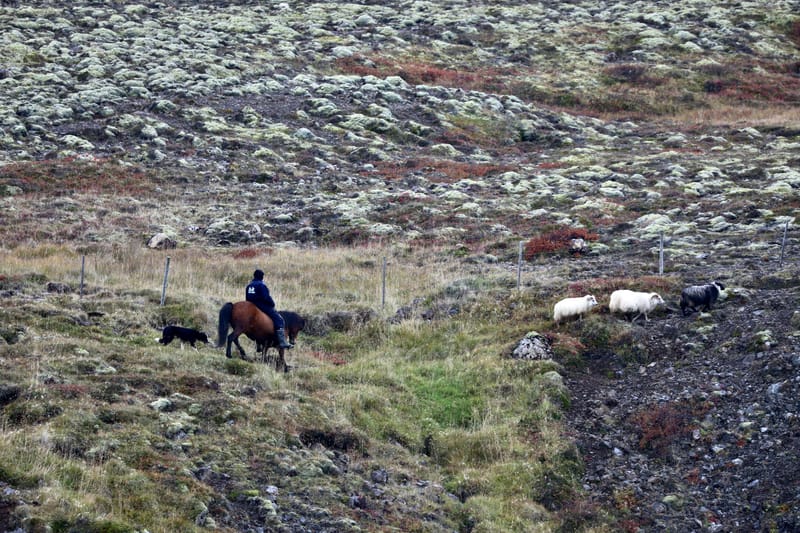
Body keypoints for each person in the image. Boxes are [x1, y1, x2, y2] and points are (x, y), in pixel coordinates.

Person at [245, 269, 292, 349]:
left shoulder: (249, 285)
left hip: (251, 305)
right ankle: (282, 342)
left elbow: (247, 298)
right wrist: (271, 303)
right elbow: (265, 297)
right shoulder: (261, 285)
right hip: (261, 305)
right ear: (262, 277)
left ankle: (258, 344)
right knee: (279, 319)